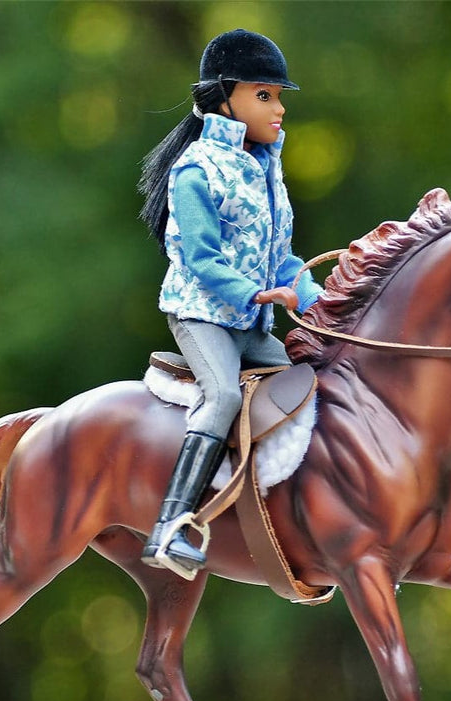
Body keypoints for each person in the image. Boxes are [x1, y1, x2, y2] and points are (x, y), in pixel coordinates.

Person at [138, 29, 322, 578]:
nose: (279, 108)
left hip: (251, 321)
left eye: (278, 96)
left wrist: (319, 304)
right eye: (264, 95)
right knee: (220, 397)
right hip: (202, 314)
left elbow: (284, 259)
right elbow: (201, 257)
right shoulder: (196, 170)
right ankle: (172, 526)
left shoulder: (267, 169)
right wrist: (254, 293)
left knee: (312, 387)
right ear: (224, 99)